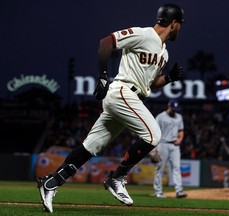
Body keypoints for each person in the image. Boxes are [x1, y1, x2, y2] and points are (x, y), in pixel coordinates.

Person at [36, 3, 185, 213]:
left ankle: (51, 182)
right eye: (180, 25)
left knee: (91, 146)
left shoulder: (164, 53)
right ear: (174, 23)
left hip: (131, 96)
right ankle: (117, 177)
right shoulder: (143, 34)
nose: (180, 29)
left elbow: (150, 84)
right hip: (122, 92)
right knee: (153, 135)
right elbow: (107, 42)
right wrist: (103, 76)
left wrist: (169, 78)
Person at [152, 99, 187, 198]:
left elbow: (181, 131)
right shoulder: (160, 117)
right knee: (160, 168)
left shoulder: (179, 117)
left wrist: (180, 139)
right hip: (162, 144)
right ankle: (158, 191)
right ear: (168, 106)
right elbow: (154, 131)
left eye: (175, 108)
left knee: (176, 168)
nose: (174, 110)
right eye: (173, 108)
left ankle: (179, 191)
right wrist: (153, 147)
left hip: (175, 146)